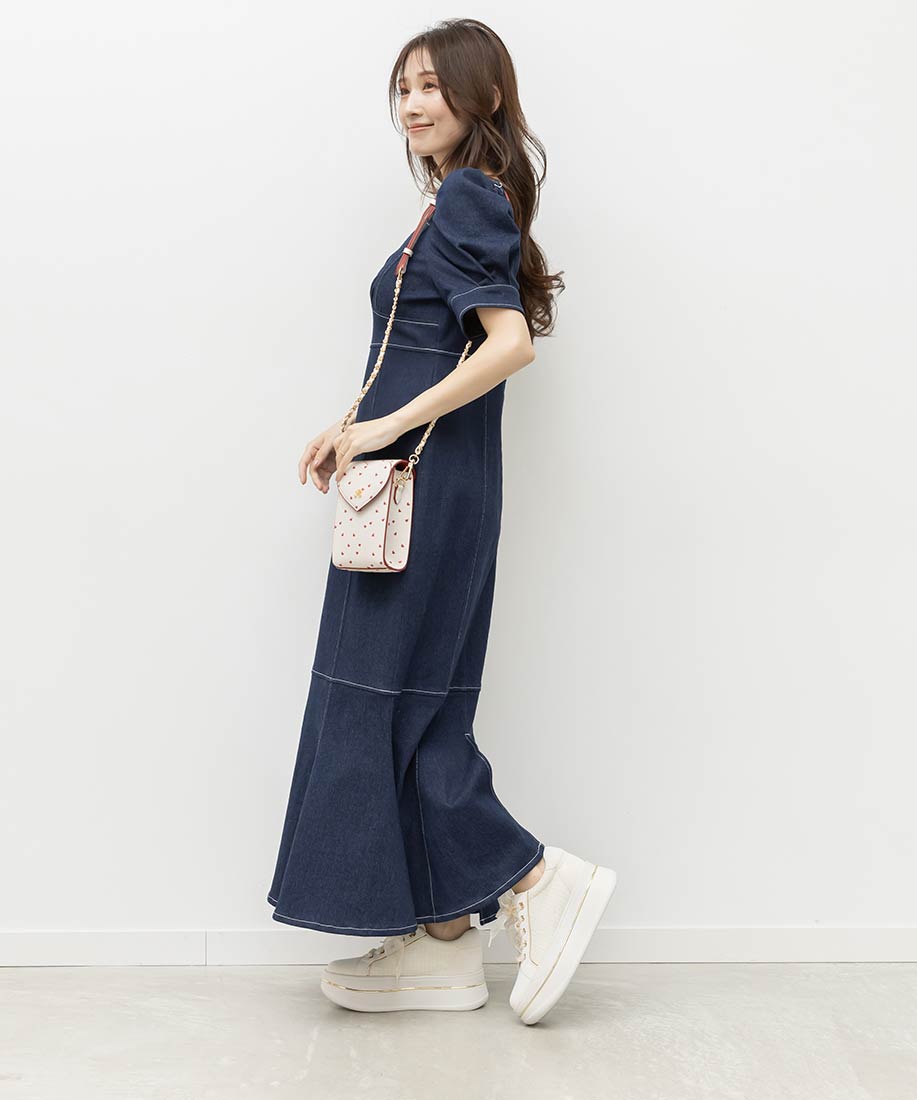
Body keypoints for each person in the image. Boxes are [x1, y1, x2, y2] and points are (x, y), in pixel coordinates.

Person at [266, 18, 616, 1025]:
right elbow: (421, 346)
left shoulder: (467, 195)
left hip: (422, 490)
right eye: (404, 88)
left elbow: (507, 345)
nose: (412, 104)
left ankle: (533, 876)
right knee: (414, 703)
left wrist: (382, 428)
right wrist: (349, 423)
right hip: (427, 483)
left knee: (381, 702)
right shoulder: (458, 200)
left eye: (432, 86)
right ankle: (445, 941)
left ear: (484, 97)